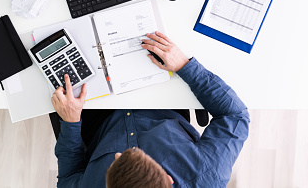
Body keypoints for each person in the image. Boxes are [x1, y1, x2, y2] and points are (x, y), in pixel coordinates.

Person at [51, 31, 250, 188]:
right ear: (169, 179)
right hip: (161, 105)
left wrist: (70, 123)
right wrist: (184, 66)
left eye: (114, 163)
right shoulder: (206, 176)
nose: (119, 153)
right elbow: (235, 116)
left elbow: (68, 177)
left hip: (97, 120)